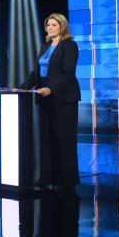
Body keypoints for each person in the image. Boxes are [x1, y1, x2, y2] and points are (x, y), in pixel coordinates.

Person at [20, 12, 81, 191]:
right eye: (48, 25)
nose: (50, 28)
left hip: (64, 98)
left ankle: (67, 179)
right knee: (46, 140)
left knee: (64, 139)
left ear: (62, 26)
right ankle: (47, 176)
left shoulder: (70, 45)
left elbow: (68, 73)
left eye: (54, 25)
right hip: (43, 96)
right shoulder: (45, 46)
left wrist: (52, 89)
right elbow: (36, 72)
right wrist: (23, 86)